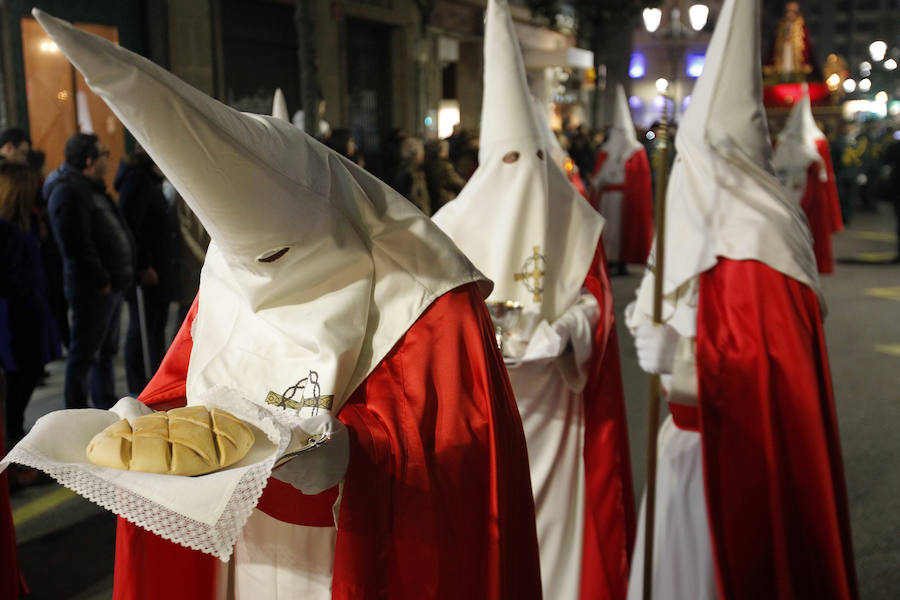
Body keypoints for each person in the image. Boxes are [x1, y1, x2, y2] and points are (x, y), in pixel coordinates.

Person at [33, 9, 541, 599]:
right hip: (242, 551)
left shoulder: (428, 300)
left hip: (349, 561)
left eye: (278, 256)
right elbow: (187, 382)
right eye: (246, 258)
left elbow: (467, 462)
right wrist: (149, 413)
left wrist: (355, 458)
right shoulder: (235, 271)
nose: (262, 278)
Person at [626, 1, 857, 598]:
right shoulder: (692, 217)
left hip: (736, 457)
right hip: (678, 446)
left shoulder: (763, 240)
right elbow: (659, 290)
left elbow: (770, 375)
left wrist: (680, 357)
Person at [434, 1, 634, 597]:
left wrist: (567, 331)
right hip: (486, 410)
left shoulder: (576, 218)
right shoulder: (449, 225)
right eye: (510, 162)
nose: (525, 177)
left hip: (559, 406)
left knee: (559, 529)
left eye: (535, 159)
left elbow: (597, 296)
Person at [44, 133, 134, 410]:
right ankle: (76, 411)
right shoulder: (68, 191)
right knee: (84, 353)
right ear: (89, 160)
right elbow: (74, 243)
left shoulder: (88, 187)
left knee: (105, 351)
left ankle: (104, 402)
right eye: (104, 154)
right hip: (92, 289)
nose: (109, 160)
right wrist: (101, 279)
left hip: (108, 284)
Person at [0, 162, 60, 449]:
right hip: (14, 317)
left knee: (26, 377)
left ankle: (15, 432)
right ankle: (12, 438)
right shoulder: (6, 231)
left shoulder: (28, 224)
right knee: (18, 380)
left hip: (30, 311)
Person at [115, 147, 181, 395]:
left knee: (154, 327)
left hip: (157, 268)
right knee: (142, 327)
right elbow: (132, 228)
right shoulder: (137, 181)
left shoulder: (148, 180)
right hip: (147, 272)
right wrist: (143, 265)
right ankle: (140, 384)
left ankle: (153, 379)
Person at [773, 86, 843, 274]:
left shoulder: (816, 142)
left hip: (807, 195)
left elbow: (824, 175)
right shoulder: (785, 141)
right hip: (792, 191)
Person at [590, 84, 654, 275]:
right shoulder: (605, 152)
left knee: (622, 232)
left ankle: (622, 261)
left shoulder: (636, 152)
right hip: (607, 199)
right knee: (608, 232)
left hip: (625, 201)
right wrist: (599, 181)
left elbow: (640, 179)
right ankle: (609, 260)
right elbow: (598, 175)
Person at [764, 1, 819, 81]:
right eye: (788, 11)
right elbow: (773, 46)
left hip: (797, 65)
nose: (790, 14)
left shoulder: (801, 26)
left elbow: (807, 48)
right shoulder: (781, 25)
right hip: (782, 59)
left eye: (793, 11)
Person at [423, 139, 465, 212]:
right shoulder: (444, 166)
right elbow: (456, 182)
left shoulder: (428, 163)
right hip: (444, 200)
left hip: (433, 201)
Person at [394, 136, 432, 215]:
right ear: (415, 155)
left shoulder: (412, 171)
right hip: (417, 218)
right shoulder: (410, 173)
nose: (423, 156)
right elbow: (413, 197)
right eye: (421, 153)